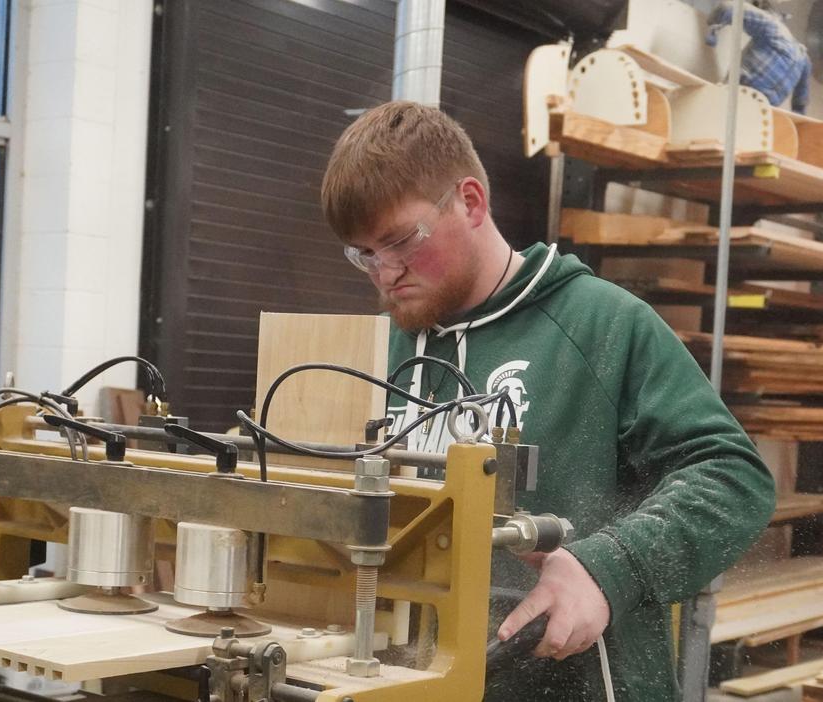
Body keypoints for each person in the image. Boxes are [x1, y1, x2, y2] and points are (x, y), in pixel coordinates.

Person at [320, 101, 775, 701]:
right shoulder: (383, 349)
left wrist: (608, 567)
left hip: (580, 684)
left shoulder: (600, 325)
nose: (385, 272)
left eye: (401, 241)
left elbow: (733, 478)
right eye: (364, 255)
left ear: (471, 202)